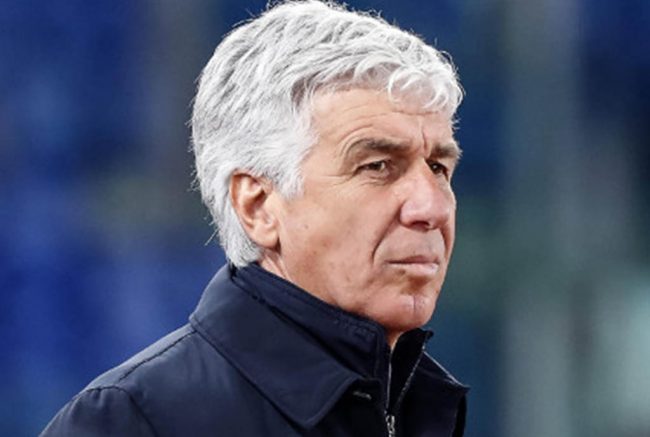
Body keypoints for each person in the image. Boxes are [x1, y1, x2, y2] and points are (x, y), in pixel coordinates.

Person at [41, 1, 468, 435]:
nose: (431, 207)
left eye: (438, 168)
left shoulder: (427, 409)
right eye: (377, 166)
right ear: (257, 206)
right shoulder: (125, 422)